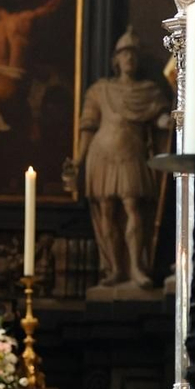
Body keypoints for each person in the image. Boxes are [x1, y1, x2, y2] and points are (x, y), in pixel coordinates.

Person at [70, 28, 172, 289]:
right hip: (101, 155)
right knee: (107, 209)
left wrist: (168, 120)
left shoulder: (149, 91)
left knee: (132, 207)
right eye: (124, 54)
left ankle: (136, 266)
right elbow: (88, 126)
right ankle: (115, 268)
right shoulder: (100, 90)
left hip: (131, 154)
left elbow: (159, 119)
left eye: (133, 55)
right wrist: (79, 160)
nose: (129, 59)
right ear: (116, 60)